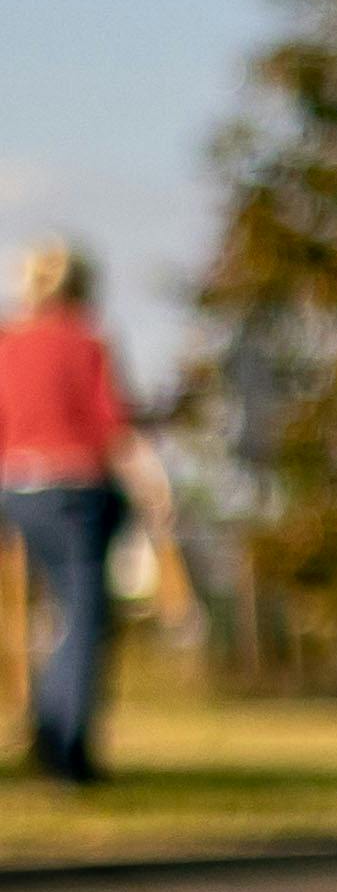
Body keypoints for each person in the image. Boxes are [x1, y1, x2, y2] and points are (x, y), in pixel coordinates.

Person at [0, 242, 194, 786]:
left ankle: (46, 733)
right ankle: (69, 751)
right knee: (84, 618)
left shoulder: (8, 343)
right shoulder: (86, 340)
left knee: (50, 617)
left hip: (18, 491)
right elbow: (112, 424)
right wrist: (153, 487)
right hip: (76, 493)